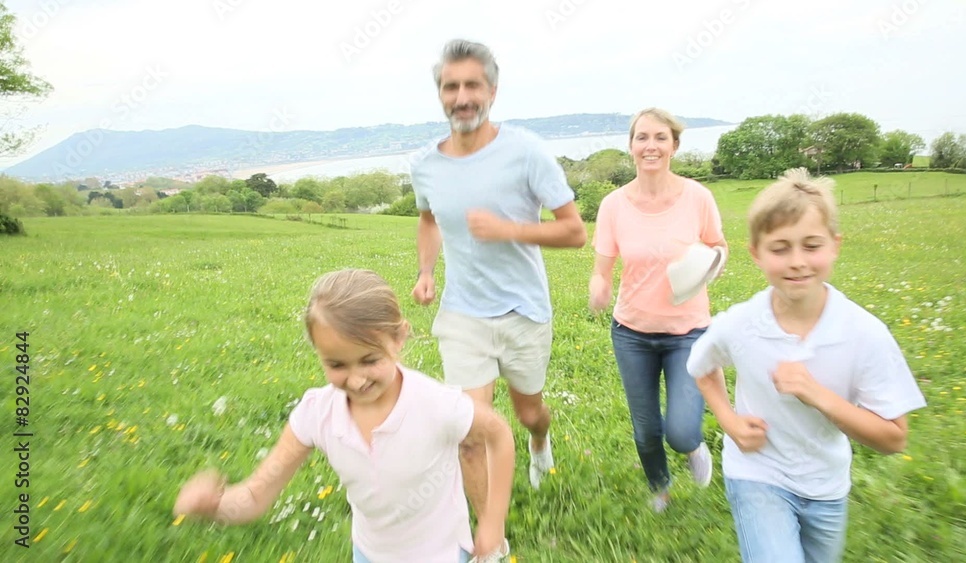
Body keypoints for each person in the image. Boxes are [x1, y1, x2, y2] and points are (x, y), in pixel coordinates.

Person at [173, 269, 516, 563]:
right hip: (368, 554)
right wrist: (215, 507)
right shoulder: (316, 414)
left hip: (440, 554)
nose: (355, 380)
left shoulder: (436, 404)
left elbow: (499, 434)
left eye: (369, 360)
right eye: (336, 365)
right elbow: (256, 495)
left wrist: (492, 521)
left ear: (398, 338)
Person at [687, 168, 926, 562]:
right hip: (756, 474)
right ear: (756, 254)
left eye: (811, 245)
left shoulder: (864, 333)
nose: (797, 262)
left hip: (826, 484)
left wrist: (818, 395)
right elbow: (701, 366)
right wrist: (727, 420)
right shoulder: (741, 323)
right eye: (780, 249)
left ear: (835, 245)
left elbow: (893, 438)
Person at [409, 38, 587, 513]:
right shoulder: (425, 165)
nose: (461, 96)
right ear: (440, 94)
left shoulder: (526, 152)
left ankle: (538, 441)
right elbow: (428, 219)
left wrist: (508, 229)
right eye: (451, 86)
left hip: (523, 311)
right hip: (462, 314)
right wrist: (426, 271)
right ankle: (491, 538)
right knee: (470, 432)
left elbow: (575, 233)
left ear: (492, 91)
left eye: (472, 85)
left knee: (529, 413)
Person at [588, 107, 726, 511]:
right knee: (647, 430)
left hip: (689, 332)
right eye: (642, 137)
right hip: (632, 333)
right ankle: (660, 487)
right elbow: (602, 270)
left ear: (674, 146)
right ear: (631, 147)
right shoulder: (613, 205)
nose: (651, 145)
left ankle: (694, 449)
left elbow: (719, 247)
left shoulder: (698, 197)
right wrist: (599, 288)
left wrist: (703, 267)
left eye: (660, 137)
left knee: (681, 432)